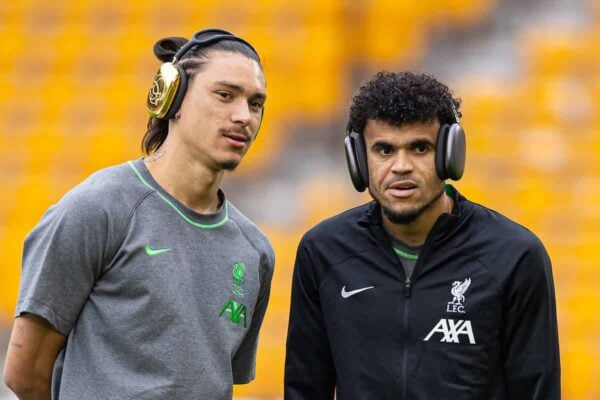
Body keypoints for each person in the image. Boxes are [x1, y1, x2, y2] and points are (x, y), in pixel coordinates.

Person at [3, 28, 274, 400]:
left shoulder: (255, 251)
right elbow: (25, 373)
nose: (243, 116)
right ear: (172, 98)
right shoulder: (98, 209)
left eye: (255, 103)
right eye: (225, 95)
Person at [284, 71, 560, 399]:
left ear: (449, 155)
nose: (401, 166)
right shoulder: (323, 252)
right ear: (359, 160)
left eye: (419, 148)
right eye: (384, 150)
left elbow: (537, 391)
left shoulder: (514, 256)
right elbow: (304, 390)